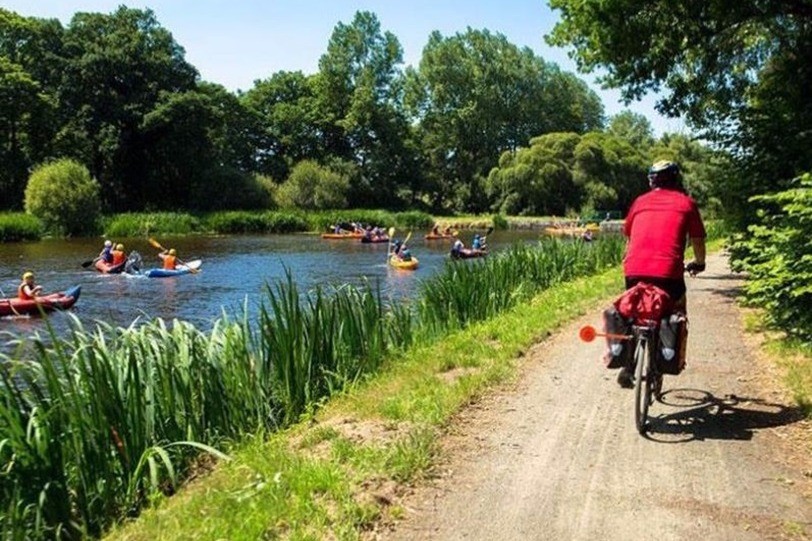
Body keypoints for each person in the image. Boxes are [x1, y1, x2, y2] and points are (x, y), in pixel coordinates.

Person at [613, 160, 706, 388]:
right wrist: (700, 263)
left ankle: (627, 365)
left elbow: (629, 236)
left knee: (635, 309)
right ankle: (665, 356)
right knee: (676, 308)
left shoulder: (639, 202)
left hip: (634, 269)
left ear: (651, 181)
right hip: (668, 273)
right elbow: (697, 239)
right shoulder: (686, 203)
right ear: (675, 180)